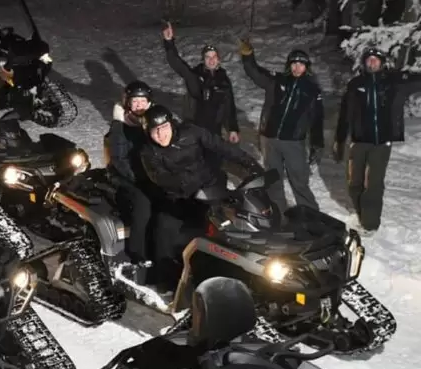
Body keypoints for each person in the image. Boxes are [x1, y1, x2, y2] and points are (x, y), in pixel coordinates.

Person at [139, 104, 260, 287]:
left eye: (164, 127)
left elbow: (221, 146)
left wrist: (248, 162)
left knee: (233, 224)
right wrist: (186, 183)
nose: (161, 134)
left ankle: (247, 271)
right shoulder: (148, 152)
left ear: (171, 124)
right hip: (178, 198)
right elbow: (160, 177)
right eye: (155, 130)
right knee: (164, 230)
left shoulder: (191, 132)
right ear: (148, 132)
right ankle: (168, 282)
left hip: (209, 191)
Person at [333, 47, 421, 232]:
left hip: (382, 142)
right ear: (364, 63)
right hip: (358, 141)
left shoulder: (393, 82)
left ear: (382, 63)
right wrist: (340, 139)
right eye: (369, 60)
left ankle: (370, 225)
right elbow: (345, 114)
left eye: (376, 60)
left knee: (373, 184)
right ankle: (362, 213)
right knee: (354, 183)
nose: (372, 63)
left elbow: (415, 81)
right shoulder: (356, 84)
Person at [240, 42, 324, 211]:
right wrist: (248, 56)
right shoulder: (277, 81)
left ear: (306, 67)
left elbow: (317, 120)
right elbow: (255, 72)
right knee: (274, 180)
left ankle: (310, 214)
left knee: (299, 181)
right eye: (294, 63)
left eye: (301, 64)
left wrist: (317, 144)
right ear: (289, 65)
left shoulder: (312, 90)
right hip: (270, 139)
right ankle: (279, 212)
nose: (297, 67)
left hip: (294, 143)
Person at [104, 80, 155, 272]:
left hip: (148, 173)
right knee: (144, 202)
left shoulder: (151, 123)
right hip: (124, 175)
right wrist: (139, 178)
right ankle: (137, 252)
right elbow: (119, 159)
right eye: (135, 101)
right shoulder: (120, 126)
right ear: (128, 103)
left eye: (143, 101)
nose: (139, 105)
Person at [161, 23, 239, 141]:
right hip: (196, 130)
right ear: (203, 60)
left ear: (218, 60)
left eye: (214, 57)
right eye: (208, 57)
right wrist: (169, 42)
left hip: (215, 131)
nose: (211, 60)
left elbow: (229, 105)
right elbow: (178, 65)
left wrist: (232, 129)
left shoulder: (224, 80)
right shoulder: (196, 76)